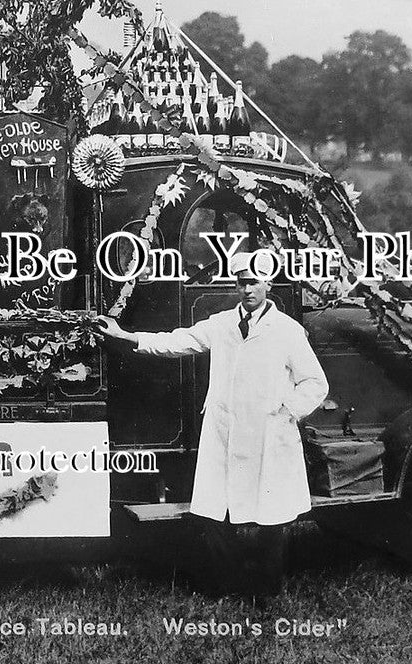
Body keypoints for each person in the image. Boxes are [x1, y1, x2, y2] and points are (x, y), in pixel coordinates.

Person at [97, 251, 328, 593]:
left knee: (272, 516)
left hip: (269, 433)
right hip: (225, 431)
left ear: (267, 284)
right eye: (241, 282)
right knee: (215, 513)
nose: (247, 289)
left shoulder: (286, 331)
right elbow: (179, 341)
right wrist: (129, 337)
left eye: (253, 282)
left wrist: (287, 410)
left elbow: (314, 383)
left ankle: (265, 590)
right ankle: (224, 583)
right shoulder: (221, 325)